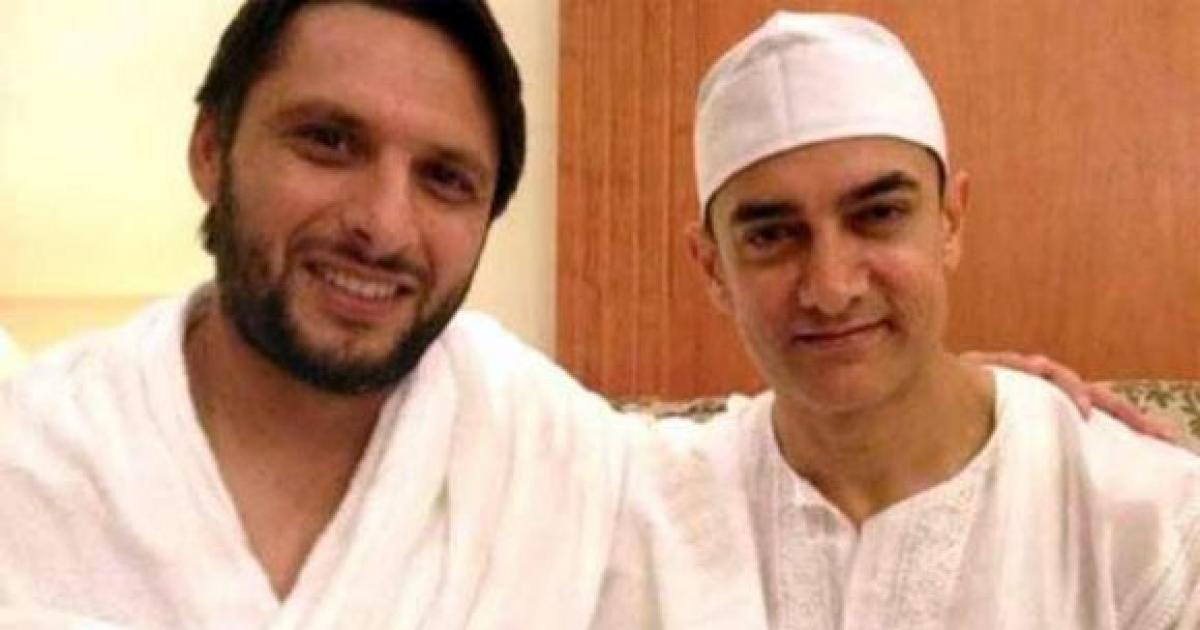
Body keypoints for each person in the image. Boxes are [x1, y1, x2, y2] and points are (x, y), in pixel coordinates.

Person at [0, 2, 1163, 628]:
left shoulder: (548, 453)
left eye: (445, 177)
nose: (383, 225)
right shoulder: (31, 456)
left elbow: (867, 407)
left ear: (951, 221)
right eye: (328, 141)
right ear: (211, 150)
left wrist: (974, 395)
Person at [595, 12, 1200, 629]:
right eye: (772, 235)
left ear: (950, 222)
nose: (832, 289)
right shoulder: (640, 514)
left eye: (879, 215)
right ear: (713, 267)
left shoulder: (1149, 522)